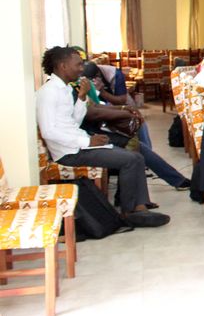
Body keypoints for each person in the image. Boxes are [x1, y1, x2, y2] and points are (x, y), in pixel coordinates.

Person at [36, 47, 169, 227]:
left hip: (78, 144)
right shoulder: (49, 92)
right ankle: (131, 212)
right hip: (69, 152)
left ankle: (138, 207)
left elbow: (73, 121)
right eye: (78, 65)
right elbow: (49, 132)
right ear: (63, 66)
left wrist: (82, 98)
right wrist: (87, 141)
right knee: (131, 160)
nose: (82, 69)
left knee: (135, 155)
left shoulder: (65, 89)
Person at [83, 62, 190, 190]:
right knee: (136, 147)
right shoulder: (75, 87)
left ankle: (159, 173)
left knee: (139, 127)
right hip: (91, 133)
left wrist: (107, 97)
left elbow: (117, 101)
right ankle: (174, 180)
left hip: (102, 120)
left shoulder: (114, 75)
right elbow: (93, 111)